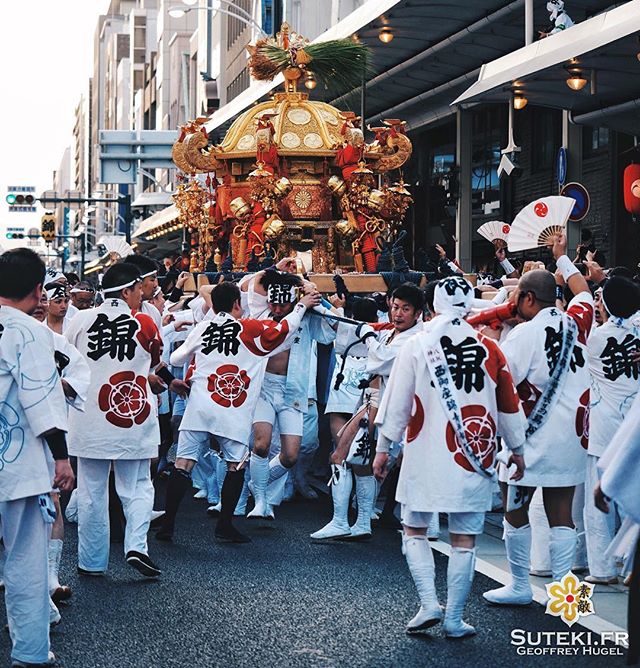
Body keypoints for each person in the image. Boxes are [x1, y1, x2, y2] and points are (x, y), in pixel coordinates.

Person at [373, 275, 526, 637]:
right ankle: (455, 618)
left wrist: (383, 448)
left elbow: (397, 402)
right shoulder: (489, 348)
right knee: (464, 539)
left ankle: (428, 603)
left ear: (432, 305)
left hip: (424, 451)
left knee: (414, 529)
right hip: (471, 455)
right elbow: (508, 405)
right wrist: (517, 449)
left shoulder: (418, 344)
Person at [157, 281, 320, 542]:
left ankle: (168, 525)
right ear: (236, 305)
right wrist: (301, 305)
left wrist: (177, 376)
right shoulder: (250, 329)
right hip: (232, 409)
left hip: (199, 405)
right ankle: (224, 526)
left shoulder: (203, 327)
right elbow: (284, 330)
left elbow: (176, 359)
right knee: (236, 465)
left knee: (183, 463)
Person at [484, 234, 593, 606]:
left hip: (528, 442)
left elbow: (500, 383)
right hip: (571, 439)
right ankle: (565, 594)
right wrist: (561, 258)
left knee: (515, 510)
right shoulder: (578, 322)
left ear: (528, 299)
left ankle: (518, 585)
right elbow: (584, 294)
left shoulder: (524, 335)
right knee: (562, 513)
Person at [64, 263, 166, 578]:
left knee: (92, 491)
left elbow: (65, 359)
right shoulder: (145, 323)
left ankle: (92, 561)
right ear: (126, 290)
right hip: (131, 416)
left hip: (88, 417)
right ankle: (136, 545)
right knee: (136, 484)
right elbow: (155, 359)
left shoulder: (80, 319)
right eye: (139, 289)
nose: (141, 295)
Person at [0, 249, 75, 667]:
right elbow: (43, 399)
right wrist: (61, 458)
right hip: (19, 465)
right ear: (36, 289)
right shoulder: (29, 333)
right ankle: (29, 652)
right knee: (25, 560)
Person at [311, 283, 424, 541]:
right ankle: (361, 523)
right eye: (396, 307)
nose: (398, 313)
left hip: (387, 407)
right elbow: (361, 349)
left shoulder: (414, 338)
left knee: (340, 456)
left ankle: (342, 520)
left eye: (406, 309)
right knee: (359, 463)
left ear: (417, 313)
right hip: (373, 402)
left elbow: (382, 359)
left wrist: (369, 335)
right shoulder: (394, 333)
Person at [241, 268, 336, 520]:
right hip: (263, 387)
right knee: (260, 445)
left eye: (283, 304)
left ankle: (257, 485)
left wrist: (315, 296)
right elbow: (248, 284)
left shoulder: (306, 317)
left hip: (292, 389)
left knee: (291, 455)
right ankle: (261, 501)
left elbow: (333, 328)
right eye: (274, 302)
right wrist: (274, 269)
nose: (278, 308)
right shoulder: (259, 314)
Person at [32, 290, 90, 604]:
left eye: (46, 299)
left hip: (46, 433)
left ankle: (50, 578)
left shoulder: (56, 343)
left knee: (51, 502)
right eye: (37, 297)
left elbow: (80, 376)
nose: (42, 304)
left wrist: (55, 385)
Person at [584, 275, 640, 584]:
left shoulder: (595, 338)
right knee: (634, 498)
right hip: (634, 429)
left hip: (605, 427)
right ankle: (629, 565)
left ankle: (602, 570)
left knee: (598, 507)